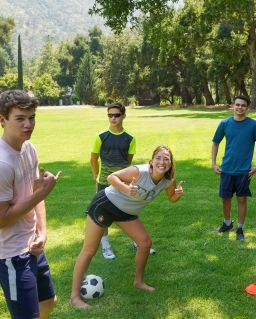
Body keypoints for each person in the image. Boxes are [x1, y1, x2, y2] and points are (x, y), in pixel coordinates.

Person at [0, 90, 61, 319]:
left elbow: (34, 193)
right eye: (20, 118)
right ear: (2, 120)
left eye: (31, 117)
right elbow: (0, 219)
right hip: (11, 253)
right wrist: (42, 192)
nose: (28, 124)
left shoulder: (28, 148)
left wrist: (42, 232)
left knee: (48, 301)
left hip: (31, 242)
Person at [70, 145, 184, 309]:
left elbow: (171, 198)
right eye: (158, 158)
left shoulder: (167, 181)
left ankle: (138, 282)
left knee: (145, 243)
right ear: (151, 161)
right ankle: (74, 297)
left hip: (126, 213)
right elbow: (111, 177)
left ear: (171, 163)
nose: (162, 161)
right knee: (89, 250)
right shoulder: (140, 171)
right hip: (106, 205)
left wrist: (177, 195)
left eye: (166, 159)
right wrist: (126, 188)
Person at [90, 102, 153, 259]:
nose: (113, 118)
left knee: (129, 211)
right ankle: (106, 247)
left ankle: (136, 242)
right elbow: (94, 158)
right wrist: (96, 175)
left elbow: (128, 161)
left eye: (116, 115)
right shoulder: (100, 137)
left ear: (123, 116)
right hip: (104, 181)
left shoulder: (130, 139)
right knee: (103, 215)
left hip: (124, 182)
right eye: (110, 115)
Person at [211, 95, 256, 241]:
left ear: (247, 108)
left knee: (241, 199)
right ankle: (227, 223)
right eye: (237, 105)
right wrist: (214, 163)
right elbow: (215, 143)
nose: (240, 107)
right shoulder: (225, 123)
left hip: (243, 170)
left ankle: (240, 228)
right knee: (225, 198)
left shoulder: (253, 125)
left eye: (243, 105)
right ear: (233, 106)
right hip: (227, 168)